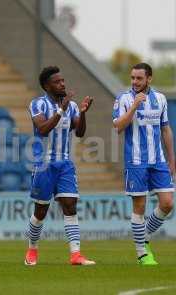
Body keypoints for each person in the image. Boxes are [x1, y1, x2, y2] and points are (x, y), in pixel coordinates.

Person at [24, 66, 95, 266]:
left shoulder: (71, 106)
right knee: (40, 211)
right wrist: (61, 109)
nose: (62, 84)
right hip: (43, 164)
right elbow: (43, 129)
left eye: (63, 80)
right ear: (47, 86)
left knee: (70, 205)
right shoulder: (37, 104)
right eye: (57, 82)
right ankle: (32, 249)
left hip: (65, 163)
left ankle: (75, 254)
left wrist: (82, 112)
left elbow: (79, 132)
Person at [112, 63, 174, 265]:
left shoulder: (161, 99)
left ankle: (144, 236)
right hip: (136, 161)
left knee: (167, 203)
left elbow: (166, 130)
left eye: (139, 78)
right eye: (132, 78)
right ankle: (142, 253)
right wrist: (134, 107)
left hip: (158, 161)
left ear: (149, 79)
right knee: (140, 206)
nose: (135, 82)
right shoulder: (124, 99)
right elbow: (118, 127)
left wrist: (172, 159)